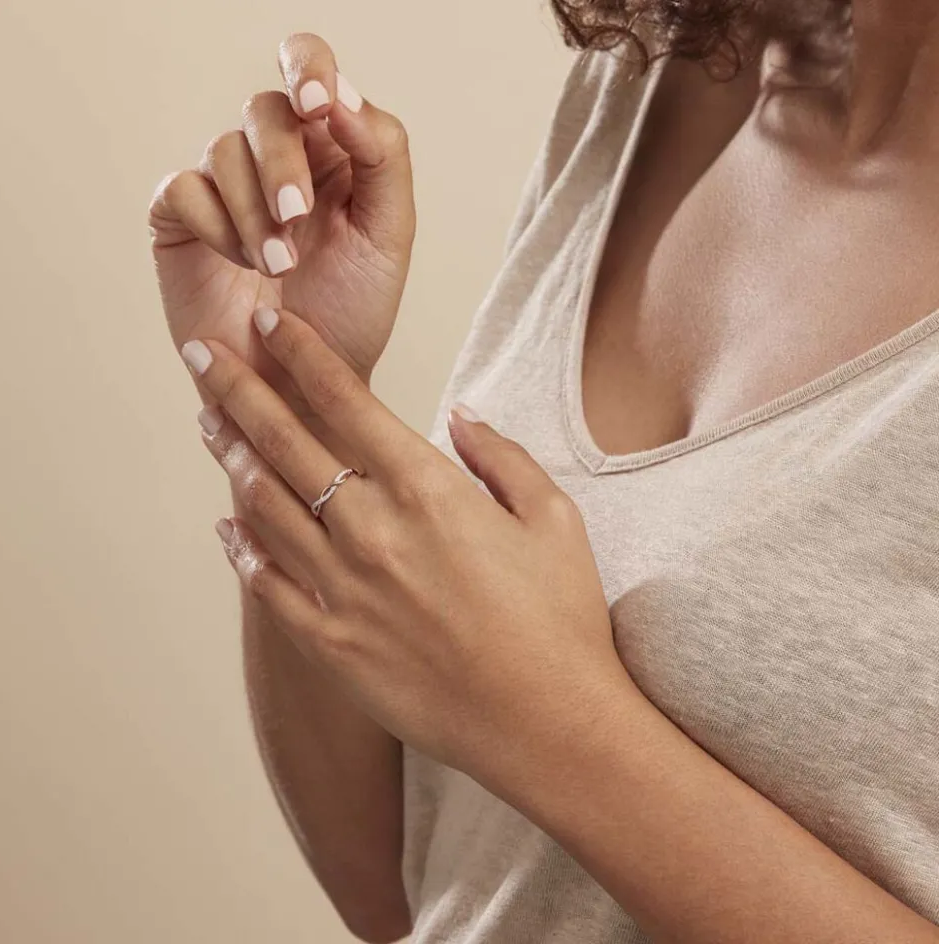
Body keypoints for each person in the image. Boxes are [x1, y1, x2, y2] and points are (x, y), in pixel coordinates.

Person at [147, 3, 939, 942]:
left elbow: (515, 707)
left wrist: (552, 720)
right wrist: (294, 392)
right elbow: (390, 886)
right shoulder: (670, 67)